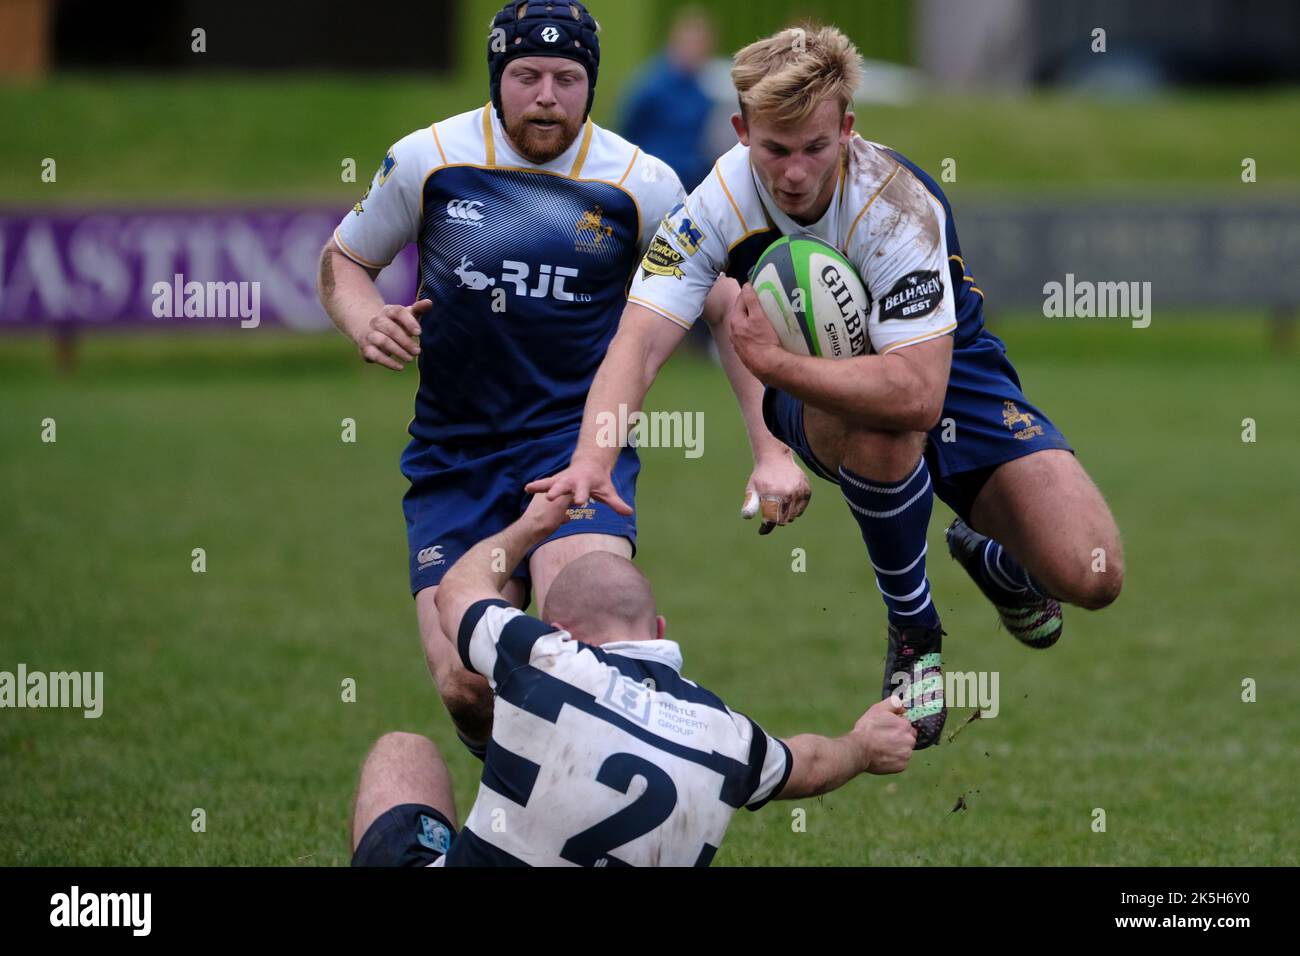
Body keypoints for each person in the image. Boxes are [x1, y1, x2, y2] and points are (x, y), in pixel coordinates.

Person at [529, 24, 1124, 749]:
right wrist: (592, 458)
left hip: (950, 371)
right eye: (774, 149)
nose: (794, 173)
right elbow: (639, 341)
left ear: (847, 128)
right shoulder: (712, 205)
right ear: (741, 129)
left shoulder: (896, 205)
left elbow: (920, 392)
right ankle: (914, 629)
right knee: (876, 424)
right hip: (826, 393)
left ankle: (994, 558)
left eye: (815, 147)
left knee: (1093, 574)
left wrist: (769, 363)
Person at [317, 1, 804, 755]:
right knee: (466, 685)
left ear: (591, 83)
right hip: (454, 460)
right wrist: (363, 318)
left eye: (567, 78)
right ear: (497, 77)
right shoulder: (429, 157)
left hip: (577, 453)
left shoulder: (640, 183)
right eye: (527, 75)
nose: (547, 94)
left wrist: (770, 448)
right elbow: (346, 260)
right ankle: (524, 805)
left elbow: (725, 307)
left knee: (597, 651)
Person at [350, 492, 916, 867]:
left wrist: (533, 525)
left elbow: (457, 591)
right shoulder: (728, 736)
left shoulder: (543, 657)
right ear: (660, 631)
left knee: (404, 753)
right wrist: (863, 746)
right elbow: (810, 763)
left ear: (559, 629)